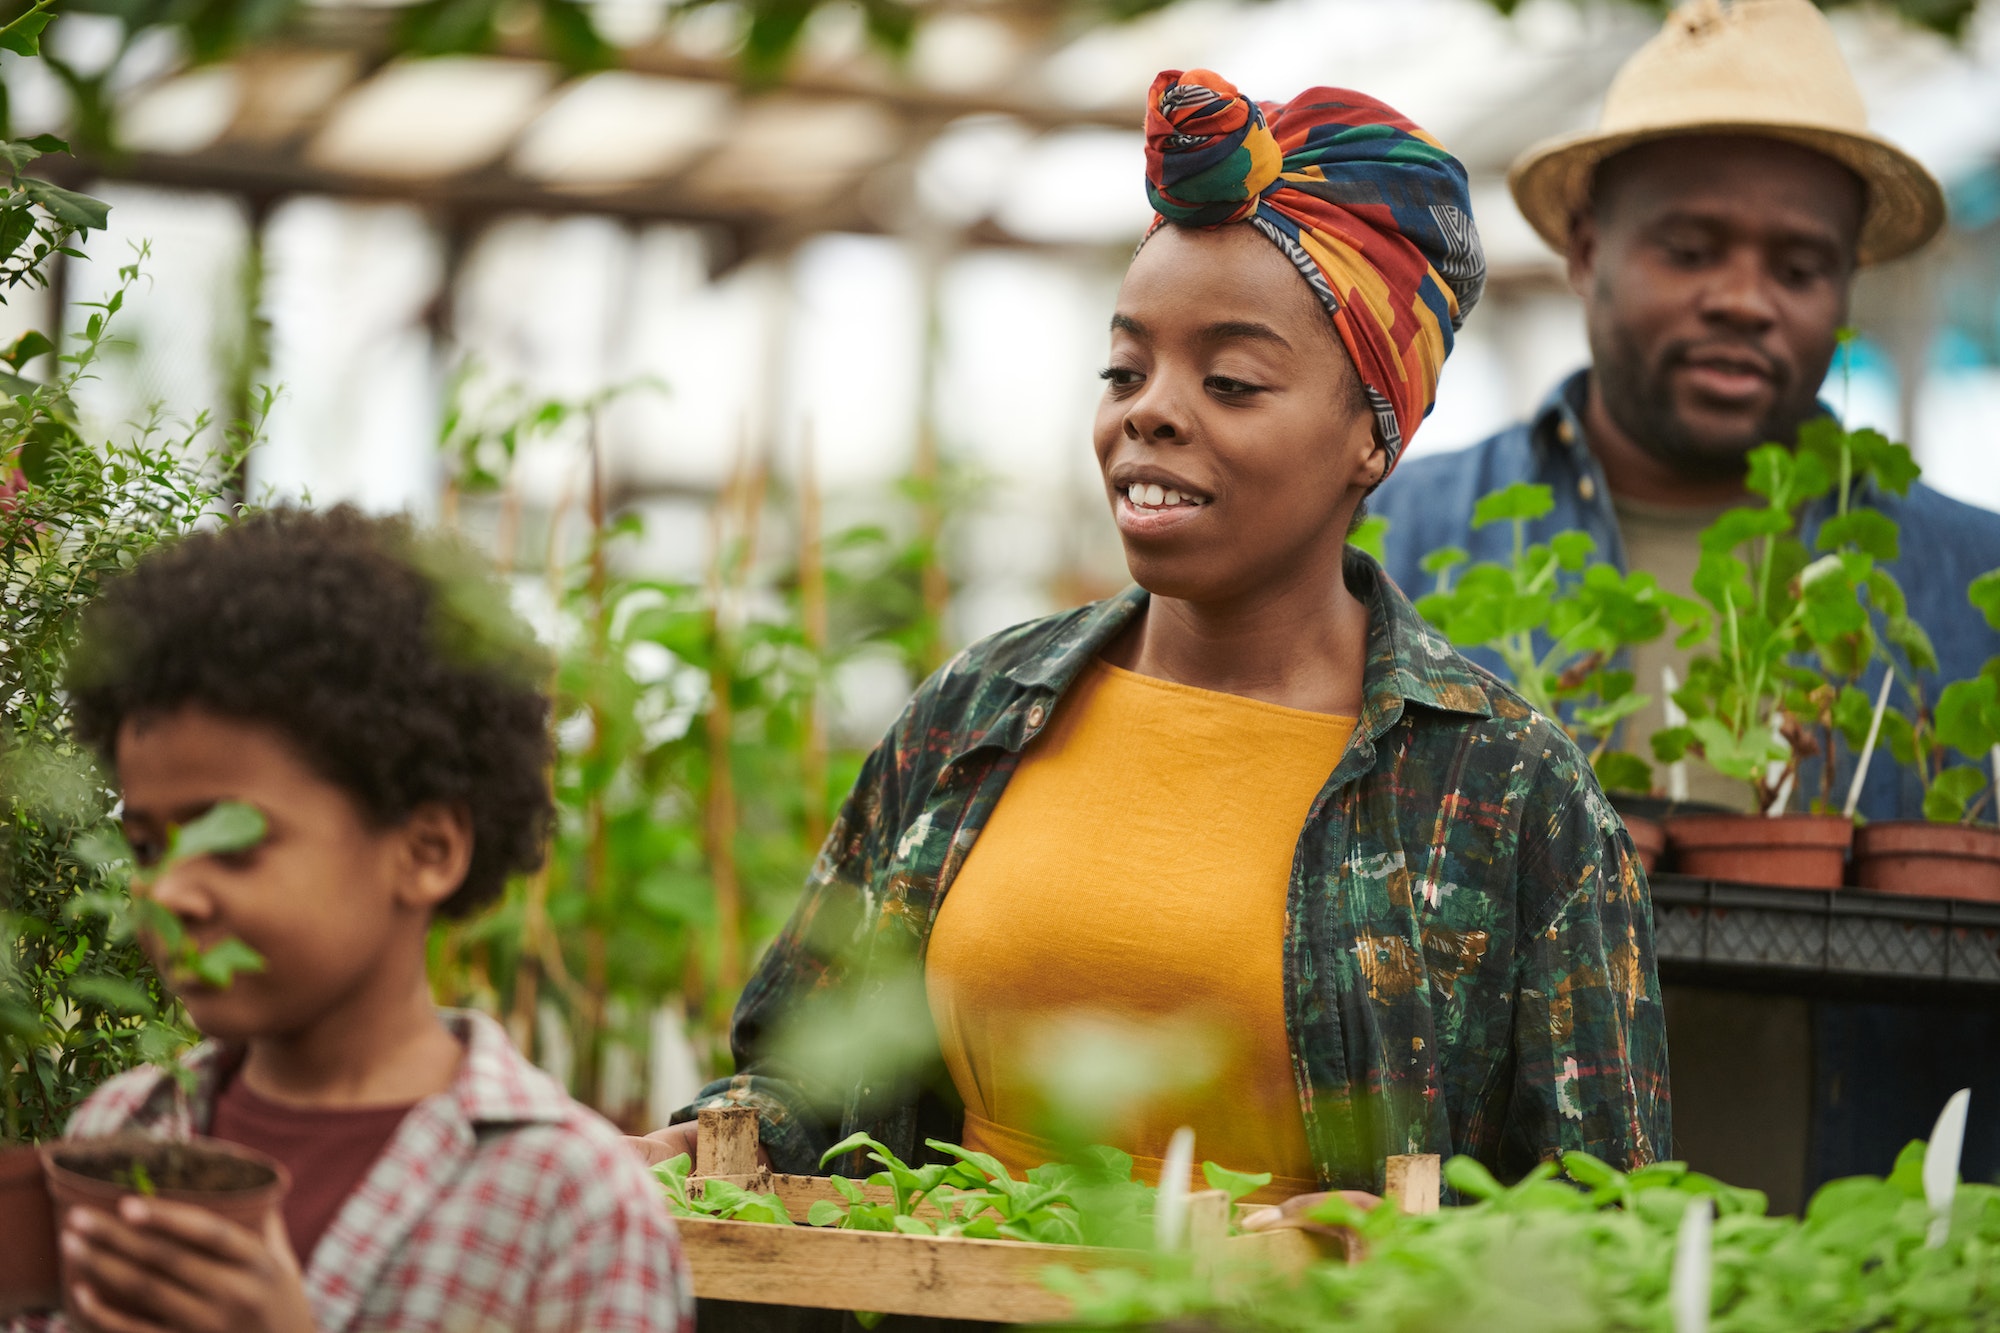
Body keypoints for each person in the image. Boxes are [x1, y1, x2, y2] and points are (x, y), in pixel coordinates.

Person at [636, 70, 1668, 1211]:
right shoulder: (974, 715)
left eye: (1229, 380)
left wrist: (1420, 1250)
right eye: (1123, 369)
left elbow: (1603, 1210)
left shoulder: (1503, 791)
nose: (1149, 411)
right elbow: (803, 1072)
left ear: (1370, 442)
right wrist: (713, 1144)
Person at [1371, 0, 1999, 1193]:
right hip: (1489, 1246)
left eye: (1799, 265)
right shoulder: (1396, 537)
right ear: (1586, 249)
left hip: (1863, 1260)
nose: (1744, 298)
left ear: (1846, 288)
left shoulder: (1974, 586)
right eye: (1690, 247)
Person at [51, 508, 692, 1333]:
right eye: (145, 846)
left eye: (233, 841)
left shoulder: (573, 1201)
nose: (171, 891)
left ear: (425, 849)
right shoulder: (118, 1129)